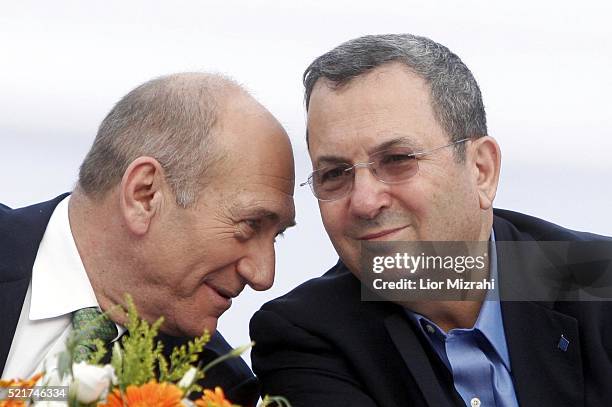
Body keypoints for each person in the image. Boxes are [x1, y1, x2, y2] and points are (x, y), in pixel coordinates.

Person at [250, 34, 612, 406]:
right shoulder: (306, 336)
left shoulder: (598, 280)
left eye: (397, 159)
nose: (364, 201)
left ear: (481, 170)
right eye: (336, 173)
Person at [1, 72, 296, 406]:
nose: (263, 276)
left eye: (277, 236)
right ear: (145, 195)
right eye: (250, 225)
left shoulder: (215, 386)